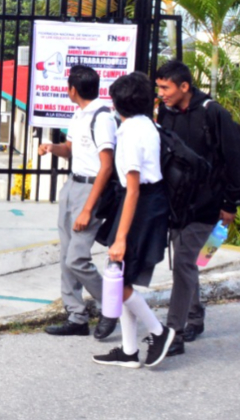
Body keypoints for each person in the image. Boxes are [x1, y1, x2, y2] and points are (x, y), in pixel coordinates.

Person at [155, 59, 240, 355]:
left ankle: (175, 332)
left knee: (188, 261)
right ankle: (194, 316)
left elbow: (237, 160)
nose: (161, 93)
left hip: (213, 206)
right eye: (158, 87)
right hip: (180, 204)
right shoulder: (166, 111)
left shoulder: (213, 113)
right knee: (189, 263)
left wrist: (231, 204)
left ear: (184, 86)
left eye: (166, 87)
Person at [93, 71, 175, 368]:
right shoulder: (148, 126)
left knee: (118, 277)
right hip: (149, 203)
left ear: (116, 104)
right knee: (122, 277)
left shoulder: (129, 134)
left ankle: (158, 331)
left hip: (140, 206)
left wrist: (121, 238)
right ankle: (129, 351)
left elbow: (133, 188)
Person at [38, 65, 117, 338]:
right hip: (72, 185)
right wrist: (52, 147)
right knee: (66, 256)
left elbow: (106, 167)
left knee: (77, 259)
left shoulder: (102, 117)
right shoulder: (79, 114)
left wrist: (87, 209)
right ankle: (76, 316)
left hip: (90, 190)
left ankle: (112, 305)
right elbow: (69, 150)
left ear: (73, 89)